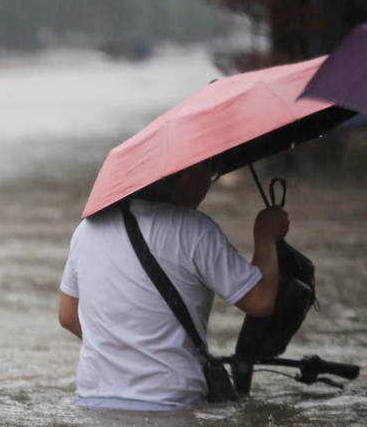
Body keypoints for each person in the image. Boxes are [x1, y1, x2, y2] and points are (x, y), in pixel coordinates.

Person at [58, 159, 289, 410]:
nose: (206, 183)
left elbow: (68, 316)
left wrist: (124, 348)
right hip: (170, 404)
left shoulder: (87, 229)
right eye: (205, 171)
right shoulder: (196, 230)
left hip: (92, 401)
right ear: (183, 175)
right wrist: (266, 237)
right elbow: (261, 300)